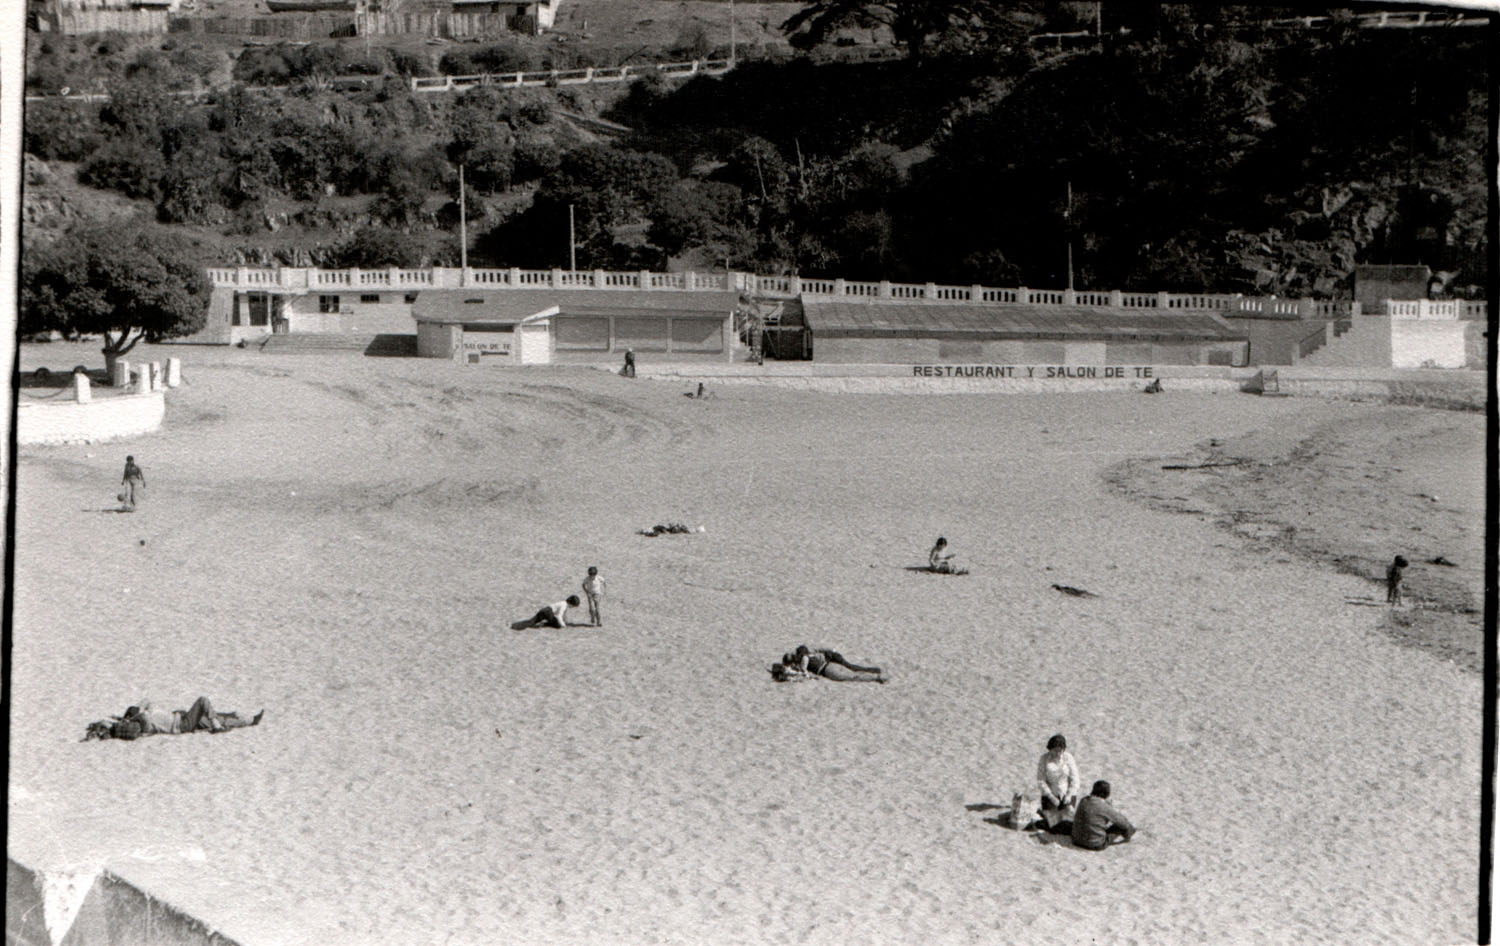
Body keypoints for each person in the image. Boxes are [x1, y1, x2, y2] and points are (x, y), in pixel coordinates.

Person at [85, 697, 262, 740]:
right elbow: (141, 722)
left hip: (181, 717)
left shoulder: (143, 715)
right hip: (182, 725)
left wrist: (137, 711)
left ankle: (248, 720)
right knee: (203, 702)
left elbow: (147, 700)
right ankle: (218, 725)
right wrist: (139, 714)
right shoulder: (145, 726)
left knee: (221, 716)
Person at [1071, 780, 1136, 850]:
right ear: (1103, 794)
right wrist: (1109, 807)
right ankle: (1129, 835)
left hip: (1076, 840)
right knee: (1120, 826)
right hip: (1094, 844)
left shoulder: (1083, 800)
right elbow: (1123, 823)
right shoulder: (1104, 807)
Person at [772, 645, 886, 683]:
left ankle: (875, 677)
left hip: (827, 670)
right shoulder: (808, 653)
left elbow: (804, 672)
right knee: (852, 670)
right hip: (830, 663)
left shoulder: (804, 659)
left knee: (851, 676)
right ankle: (875, 673)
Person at [1036, 734, 1082, 825]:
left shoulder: (1068, 758)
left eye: (1060, 750)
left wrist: (1069, 795)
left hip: (1067, 794)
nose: (1057, 753)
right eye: (1055, 750)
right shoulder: (1044, 759)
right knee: (1053, 823)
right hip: (1050, 794)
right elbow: (1041, 780)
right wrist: (1051, 796)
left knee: (1067, 821)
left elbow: (1075, 779)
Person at [511, 595, 582, 630]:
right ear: (571, 604)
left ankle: (515, 625)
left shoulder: (564, 604)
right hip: (548, 612)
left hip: (545, 610)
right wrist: (563, 625)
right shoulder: (564, 605)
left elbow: (564, 615)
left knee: (532, 621)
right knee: (557, 625)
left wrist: (565, 622)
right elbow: (559, 616)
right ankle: (516, 626)